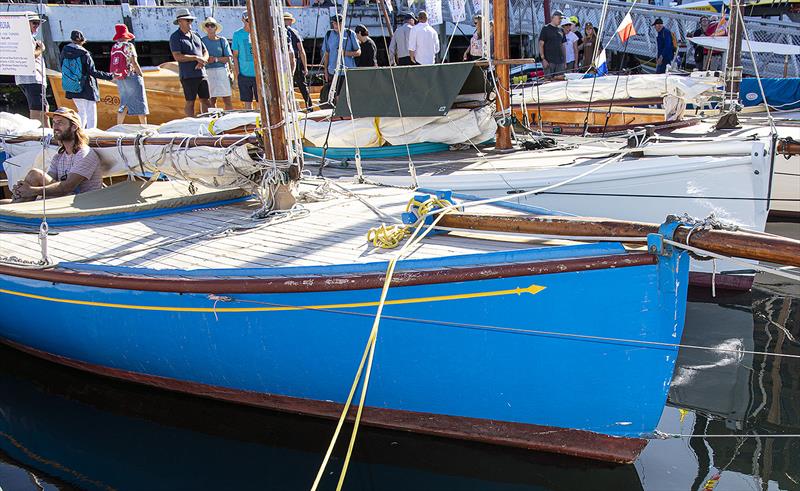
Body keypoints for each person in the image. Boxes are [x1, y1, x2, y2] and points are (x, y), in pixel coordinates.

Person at [10, 108, 102, 203]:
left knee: (35, 174)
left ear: (74, 127)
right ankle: (18, 202)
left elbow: (68, 187)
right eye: (54, 122)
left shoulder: (84, 154)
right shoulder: (59, 156)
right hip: (61, 199)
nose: (55, 127)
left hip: (80, 202)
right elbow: (47, 182)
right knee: (4, 204)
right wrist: (21, 190)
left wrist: (31, 190)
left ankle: (18, 206)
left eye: (60, 123)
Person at [60, 30, 115, 129]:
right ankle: (91, 133)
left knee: (81, 111)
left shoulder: (64, 52)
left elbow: (62, 67)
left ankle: (79, 132)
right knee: (91, 112)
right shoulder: (84, 53)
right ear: (82, 41)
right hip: (87, 86)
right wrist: (110, 76)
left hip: (71, 85)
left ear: (71, 39)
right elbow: (92, 72)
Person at [170, 9, 210, 117]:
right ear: (179, 22)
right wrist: (196, 58)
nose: (189, 22)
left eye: (190, 20)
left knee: (206, 100)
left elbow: (205, 51)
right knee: (190, 101)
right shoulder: (175, 37)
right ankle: (190, 123)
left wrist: (203, 60)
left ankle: (207, 122)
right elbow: (177, 56)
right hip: (188, 75)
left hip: (202, 73)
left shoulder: (196, 35)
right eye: (187, 20)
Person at [109, 24, 149, 125]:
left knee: (124, 102)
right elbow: (134, 62)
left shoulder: (114, 47)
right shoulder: (129, 46)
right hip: (131, 75)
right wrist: (140, 75)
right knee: (140, 101)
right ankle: (144, 126)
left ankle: (119, 125)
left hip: (120, 77)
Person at [16, 12, 49, 128]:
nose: (37, 26)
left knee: (43, 106)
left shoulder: (22, 37)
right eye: (34, 23)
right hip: (33, 79)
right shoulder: (26, 38)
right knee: (38, 108)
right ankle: (41, 135)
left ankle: (45, 133)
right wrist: (41, 49)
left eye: (38, 23)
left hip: (28, 79)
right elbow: (29, 57)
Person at [320, 14, 360, 103]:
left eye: (337, 23)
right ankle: (340, 113)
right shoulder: (329, 34)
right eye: (334, 23)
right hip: (333, 70)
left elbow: (358, 52)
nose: (335, 25)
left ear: (343, 23)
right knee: (336, 94)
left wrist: (346, 53)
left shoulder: (350, 33)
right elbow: (326, 53)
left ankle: (345, 113)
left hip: (347, 70)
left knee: (345, 93)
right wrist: (325, 70)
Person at [200, 17, 234, 111]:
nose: (210, 27)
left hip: (221, 71)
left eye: (212, 25)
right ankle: (212, 119)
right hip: (207, 72)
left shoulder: (222, 40)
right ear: (205, 28)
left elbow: (228, 58)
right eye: (207, 25)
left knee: (227, 99)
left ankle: (229, 119)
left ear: (216, 28)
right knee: (211, 99)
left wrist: (215, 59)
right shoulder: (202, 41)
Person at [284, 12, 312, 109]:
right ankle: (309, 107)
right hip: (294, 60)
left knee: (287, 85)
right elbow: (301, 50)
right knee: (302, 85)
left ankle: (290, 107)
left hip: (284, 61)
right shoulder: (294, 32)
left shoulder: (279, 31)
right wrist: (305, 66)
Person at [232, 12, 257, 109]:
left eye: (252, 20)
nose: (250, 22)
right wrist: (238, 73)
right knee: (247, 102)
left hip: (258, 74)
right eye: (247, 20)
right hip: (244, 74)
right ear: (243, 20)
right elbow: (235, 55)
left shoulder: (258, 33)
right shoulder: (237, 34)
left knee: (261, 102)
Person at [538, 10, 565, 76]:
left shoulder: (561, 30)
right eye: (559, 18)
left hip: (560, 62)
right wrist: (543, 59)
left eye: (561, 18)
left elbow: (562, 46)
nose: (561, 20)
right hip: (549, 61)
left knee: (560, 82)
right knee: (548, 82)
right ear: (553, 17)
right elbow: (541, 44)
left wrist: (564, 61)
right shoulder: (545, 28)